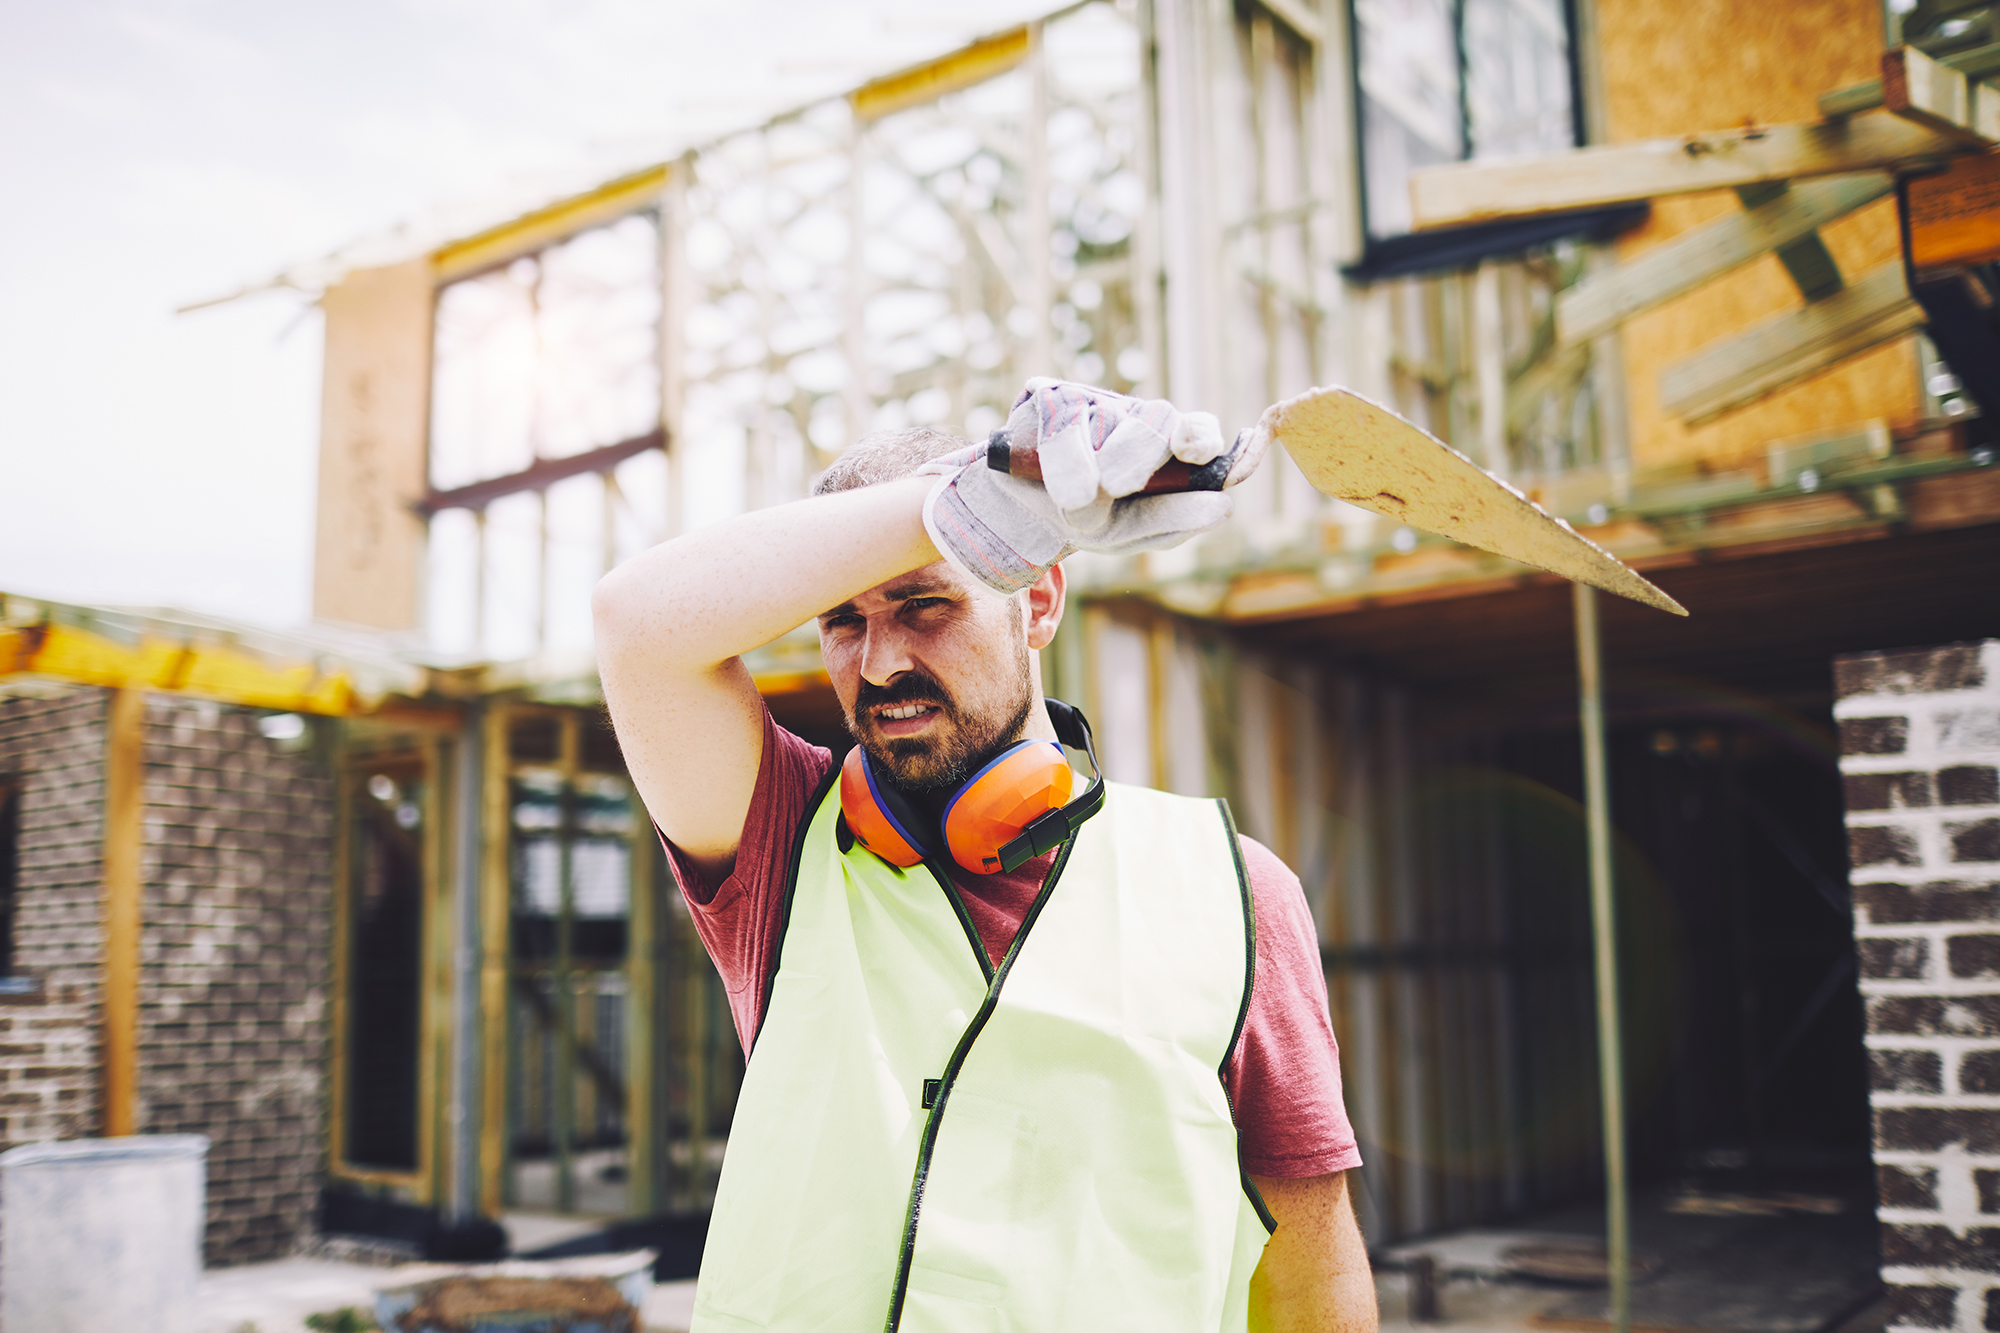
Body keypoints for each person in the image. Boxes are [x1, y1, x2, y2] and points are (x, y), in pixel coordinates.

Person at [594, 380, 1377, 1331]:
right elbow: (637, 628)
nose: (878, 663)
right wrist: (966, 497)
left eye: (925, 603)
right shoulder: (785, 846)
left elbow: (1310, 1267)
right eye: (843, 621)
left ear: (1037, 597)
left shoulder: (1235, 890)